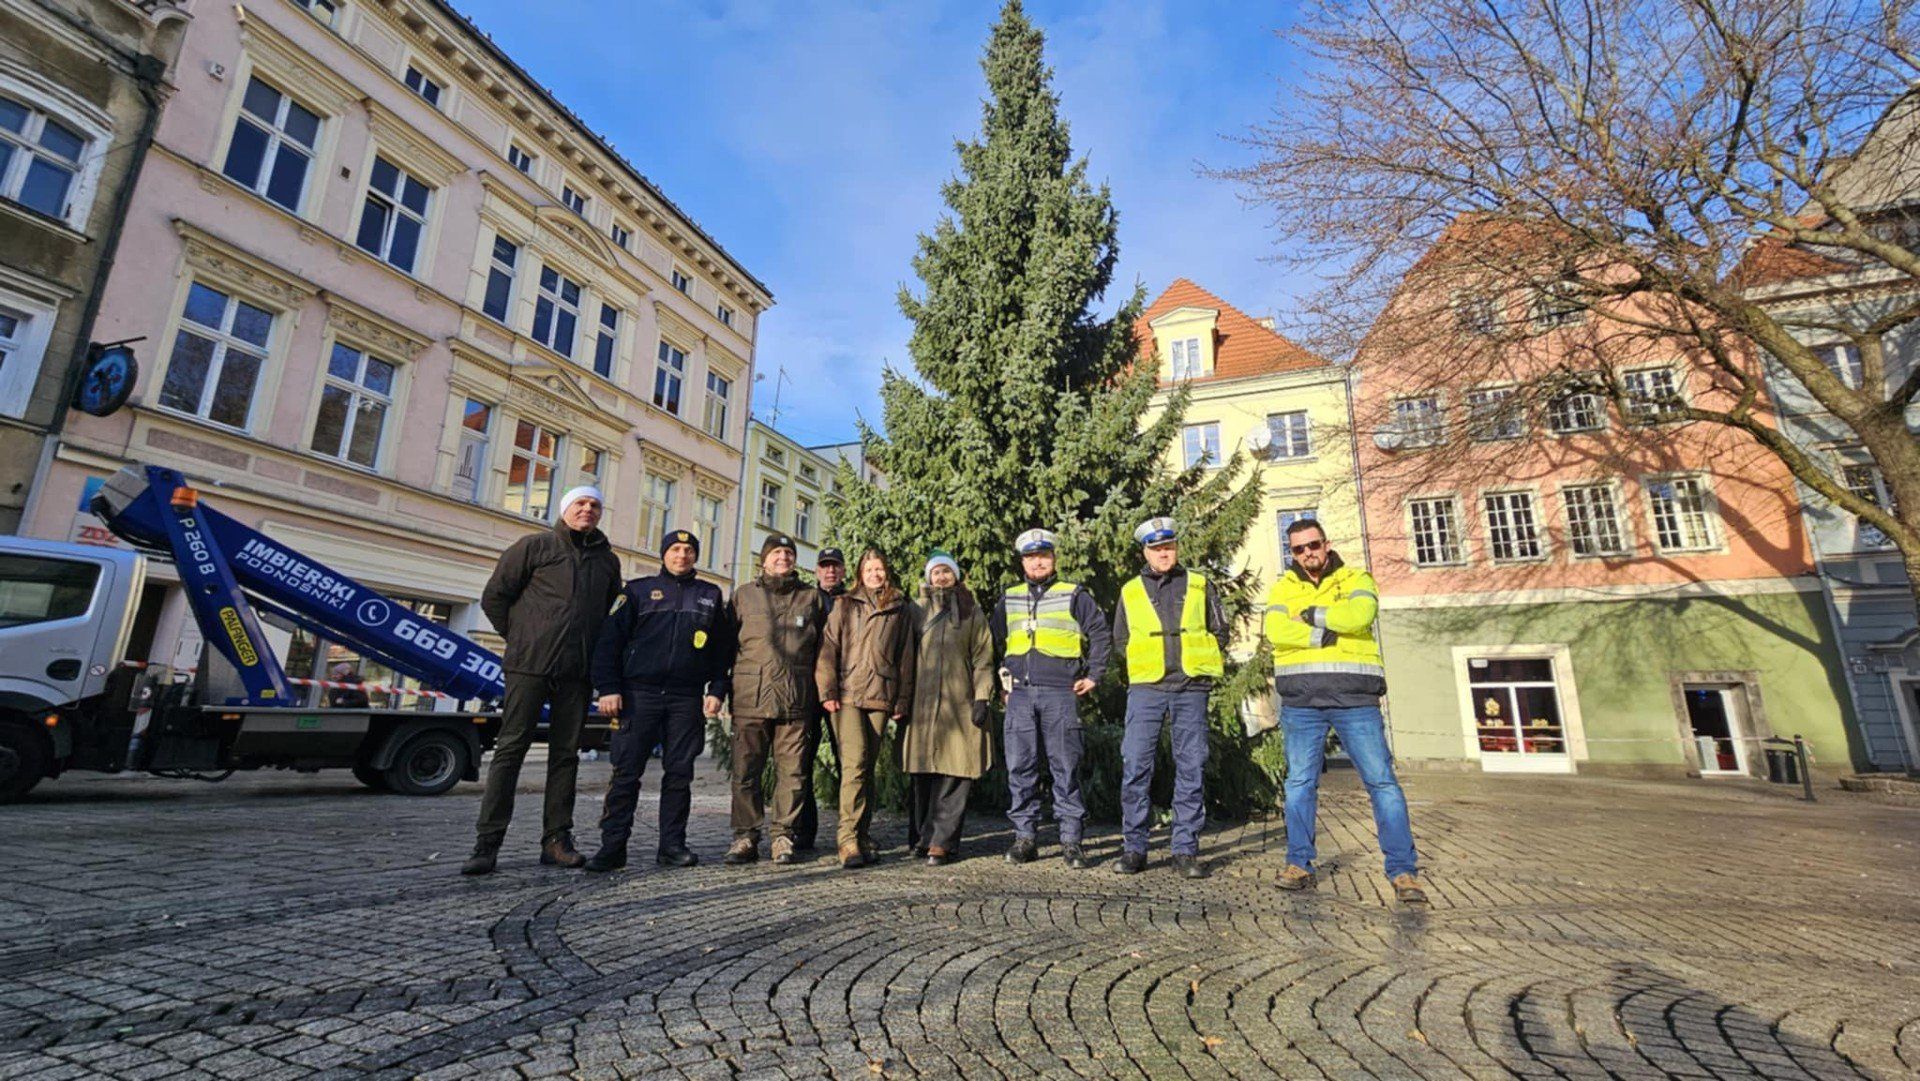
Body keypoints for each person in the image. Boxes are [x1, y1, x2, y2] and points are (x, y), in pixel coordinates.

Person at [1265, 518, 1426, 905]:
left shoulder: (1357, 578)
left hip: (1356, 699)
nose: (1308, 553)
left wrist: (1311, 615)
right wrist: (1326, 631)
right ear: (1292, 552)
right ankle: (1299, 863)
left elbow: (1360, 617)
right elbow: (1275, 630)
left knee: (1382, 783)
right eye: (1299, 549)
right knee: (1300, 785)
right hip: (1302, 703)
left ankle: (1403, 871)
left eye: (1313, 545)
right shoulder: (1282, 586)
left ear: (1326, 543)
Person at [463, 486, 620, 876]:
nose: (588, 509)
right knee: (510, 750)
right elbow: (494, 597)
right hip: (529, 667)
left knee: (566, 756)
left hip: (577, 673)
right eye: (580, 503)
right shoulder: (534, 547)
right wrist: (522, 640)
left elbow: (606, 614)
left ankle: (556, 841)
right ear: (566, 509)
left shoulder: (608, 562)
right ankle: (487, 844)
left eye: (594, 505)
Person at [583, 528, 728, 872]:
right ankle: (613, 847)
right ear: (663, 554)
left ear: (696, 556)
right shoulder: (637, 591)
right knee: (625, 773)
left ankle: (672, 846)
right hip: (637, 696)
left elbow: (721, 651)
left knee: (679, 774)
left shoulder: (710, 595)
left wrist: (717, 690)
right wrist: (608, 688)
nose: (682, 555)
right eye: (675, 549)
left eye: (688, 550)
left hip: (685, 698)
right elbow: (609, 643)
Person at [1112, 517, 1228, 879]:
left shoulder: (1199, 584)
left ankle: (1185, 850)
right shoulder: (1130, 590)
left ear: (1176, 548)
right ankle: (1134, 848)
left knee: (1191, 767)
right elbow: (1120, 640)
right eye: (1157, 548)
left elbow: (1219, 630)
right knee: (1135, 767)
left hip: (1191, 687)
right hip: (1146, 688)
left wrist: (1198, 663)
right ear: (1145, 551)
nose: (1164, 553)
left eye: (1169, 547)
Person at [990, 528, 1111, 869]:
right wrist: (998, 680)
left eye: (1043, 555)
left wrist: (1094, 675)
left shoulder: (1073, 594)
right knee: (1020, 767)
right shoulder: (1009, 598)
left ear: (1053, 558)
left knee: (1065, 767)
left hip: (1061, 693)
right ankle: (1025, 838)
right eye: (1031, 557)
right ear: (1022, 562)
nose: (1037, 562)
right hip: (1020, 696)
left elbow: (1100, 634)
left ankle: (1071, 841)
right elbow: (990, 643)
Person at [722, 533, 833, 866]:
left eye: (788, 553)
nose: (783, 558)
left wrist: (823, 693)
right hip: (749, 698)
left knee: (793, 774)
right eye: (777, 553)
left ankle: (783, 835)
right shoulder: (743, 596)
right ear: (764, 559)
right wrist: (718, 691)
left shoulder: (811, 599)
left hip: (796, 700)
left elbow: (825, 653)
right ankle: (745, 837)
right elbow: (727, 648)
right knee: (745, 772)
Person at [817, 548, 915, 869]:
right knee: (855, 764)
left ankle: (862, 833)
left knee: (868, 768)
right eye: (869, 569)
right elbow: (828, 648)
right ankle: (847, 840)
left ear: (887, 572)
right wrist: (827, 689)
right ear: (860, 573)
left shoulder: (899, 608)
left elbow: (906, 658)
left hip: (880, 695)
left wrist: (901, 699)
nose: (875, 574)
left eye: (880, 569)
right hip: (846, 695)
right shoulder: (845, 604)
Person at [900, 551, 995, 865]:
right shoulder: (915, 611)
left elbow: (983, 657)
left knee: (955, 773)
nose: (941, 577)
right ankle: (921, 838)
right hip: (921, 708)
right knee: (922, 775)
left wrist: (982, 697)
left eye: (946, 572)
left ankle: (942, 842)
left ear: (956, 575)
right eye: (936, 573)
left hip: (958, 706)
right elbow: (902, 656)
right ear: (928, 577)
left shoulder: (971, 611)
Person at [793, 546, 847, 851]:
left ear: (843, 570)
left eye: (835, 566)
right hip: (807, 692)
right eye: (824, 566)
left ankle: (851, 830)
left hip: (843, 691)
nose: (830, 571)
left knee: (849, 764)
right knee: (802, 760)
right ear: (816, 570)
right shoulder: (805, 599)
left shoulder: (851, 600)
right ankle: (804, 830)